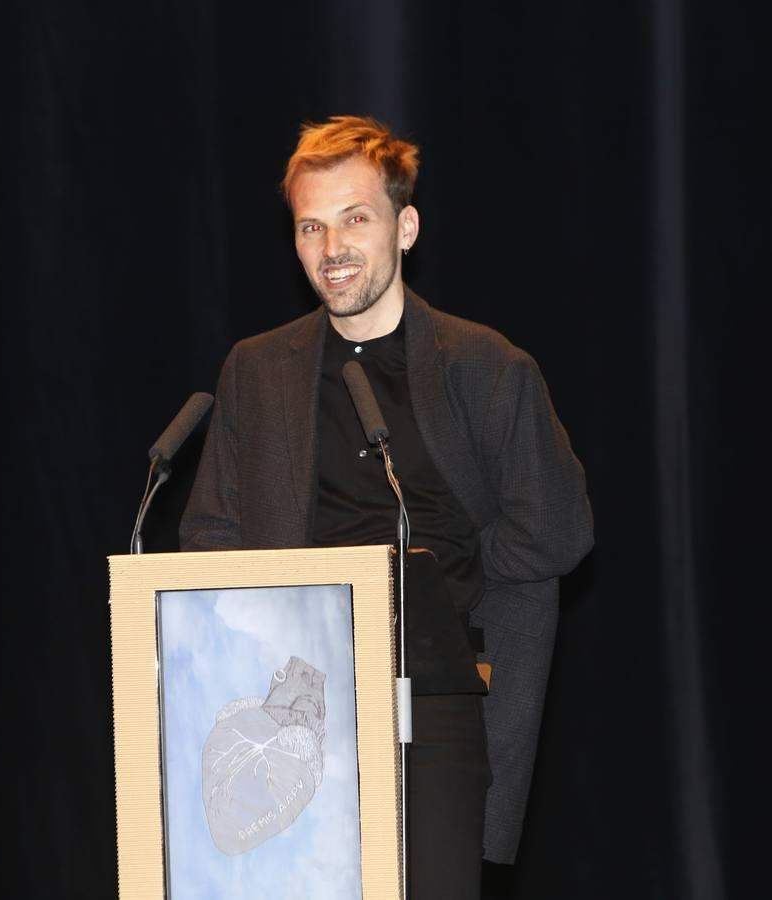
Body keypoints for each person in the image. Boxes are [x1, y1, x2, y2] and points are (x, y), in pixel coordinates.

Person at [180, 115, 592, 899]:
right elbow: (211, 535)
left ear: (405, 227)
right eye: (311, 227)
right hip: (295, 698)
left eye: (354, 219)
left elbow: (558, 530)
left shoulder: (484, 367)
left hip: (432, 699)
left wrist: (450, 587)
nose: (331, 249)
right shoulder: (258, 371)